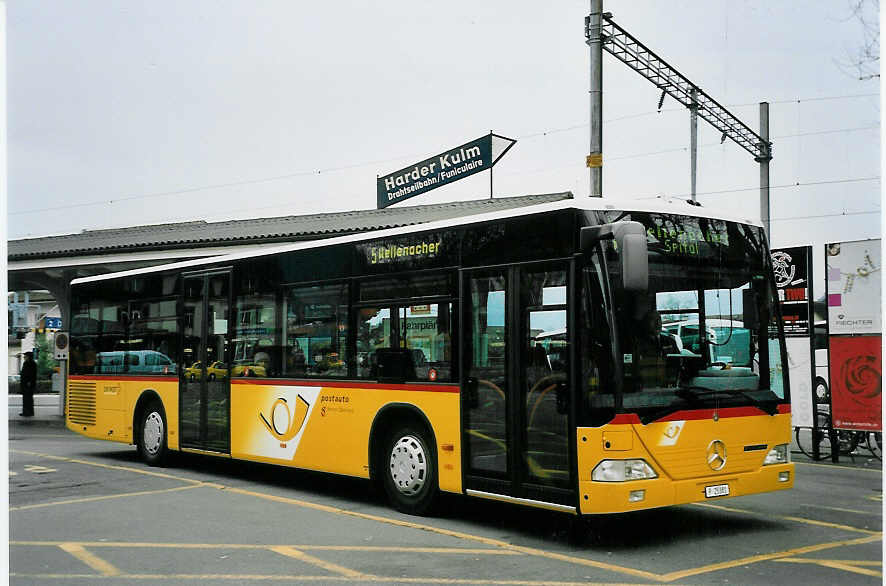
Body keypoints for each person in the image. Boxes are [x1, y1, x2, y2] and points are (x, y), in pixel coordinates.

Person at [19, 351, 37, 417]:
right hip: (25, 383)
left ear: (29, 357)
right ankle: (28, 412)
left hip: (28, 384)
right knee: (26, 398)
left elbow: (32, 374)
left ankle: (27, 413)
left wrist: (29, 382)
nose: (24, 357)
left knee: (27, 399)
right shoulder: (26, 363)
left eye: (25, 356)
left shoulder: (31, 364)